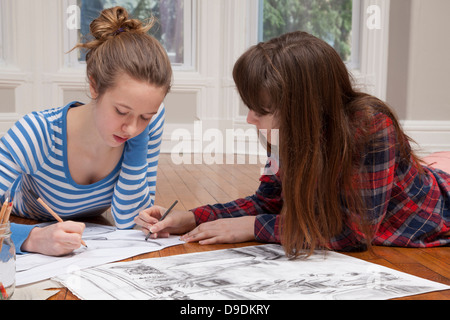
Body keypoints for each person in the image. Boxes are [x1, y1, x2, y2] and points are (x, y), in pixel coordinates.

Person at [135, 31, 450, 258]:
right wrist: (193, 217)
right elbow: (267, 202)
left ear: (304, 109)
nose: (250, 119)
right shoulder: (288, 134)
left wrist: (251, 228)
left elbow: (354, 234)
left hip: (430, 218)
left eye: (262, 110)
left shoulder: (370, 126)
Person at [0, 7, 172, 256]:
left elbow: (128, 219)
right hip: (19, 210)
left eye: (145, 116)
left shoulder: (144, 126)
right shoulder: (36, 133)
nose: (133, 127)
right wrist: (31, 238)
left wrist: (140, 134)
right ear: (93, 86)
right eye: (122, 111)